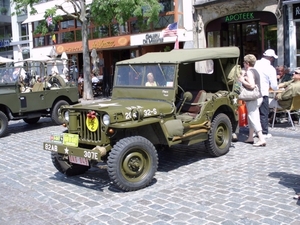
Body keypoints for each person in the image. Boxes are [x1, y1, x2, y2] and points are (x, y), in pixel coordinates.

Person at [238, 54, 266, 147]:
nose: (243, 64)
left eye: (244, 62)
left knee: (253, 117)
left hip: (252, 98)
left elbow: (252, 85)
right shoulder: (255, 71)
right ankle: (250, 137)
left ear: (247, 63)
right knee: (252, 117)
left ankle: (261, 138)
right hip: (258, 97)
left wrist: (242, 80)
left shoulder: (249, 72)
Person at [254, 49, 278, 138]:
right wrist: (278, 88)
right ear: (271, 58)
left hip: (253, 92)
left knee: (254, 112)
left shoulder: (255, 63)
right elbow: (274, 86)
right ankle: (264, 132)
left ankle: (254, 130)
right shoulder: (270, 68)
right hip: (263, 92)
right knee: (263, 113)